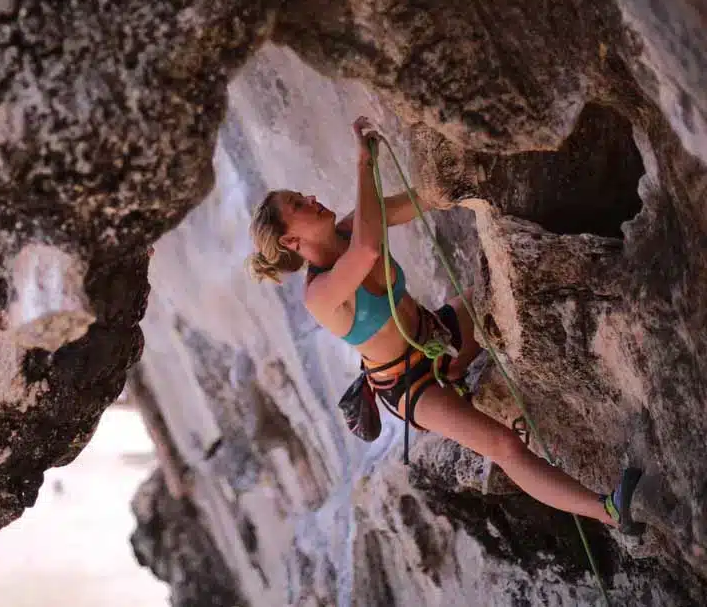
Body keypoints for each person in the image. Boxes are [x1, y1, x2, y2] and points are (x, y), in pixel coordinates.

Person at [245, 116, 643, 533]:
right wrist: (365, 164)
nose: (310, 197)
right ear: (292, 242)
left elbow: (428, 197)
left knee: (507, 283)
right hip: (411, 386)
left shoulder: (351, 226)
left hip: (436, 332)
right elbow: (364, 252)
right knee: (503, 446)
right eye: (297, 204)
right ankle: (610, 512)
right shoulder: (319, 294)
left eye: (301, 195)